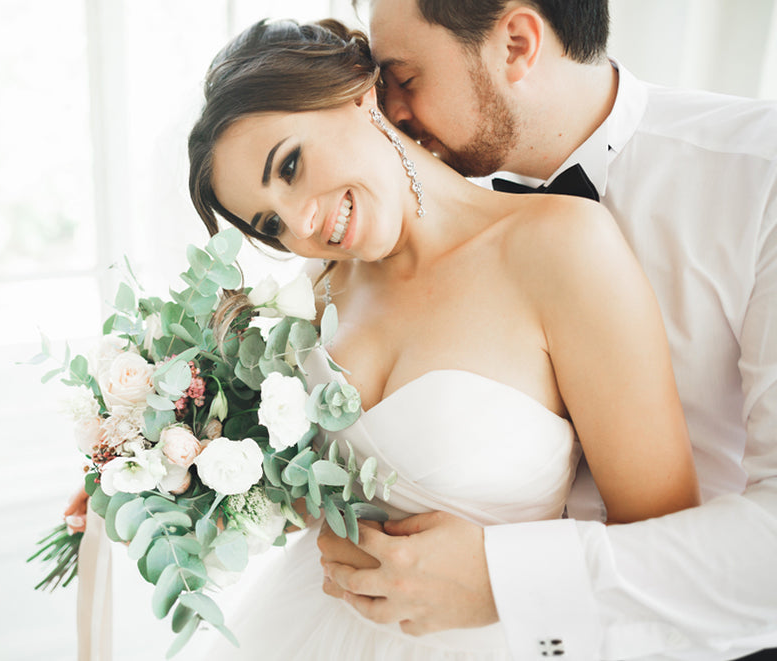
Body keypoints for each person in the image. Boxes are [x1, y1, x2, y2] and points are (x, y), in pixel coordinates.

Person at [185, 17, 699, 660]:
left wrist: (504, 575)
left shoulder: (561, 247)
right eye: (269, 223)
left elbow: (670, 545)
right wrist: (171, 454)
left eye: (289, 166)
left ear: (356, 95)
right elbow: (294, 489)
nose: (302, 224)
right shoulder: (312, 299)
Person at [318, 1, 777, 660]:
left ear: (515, 44)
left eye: (404, 78)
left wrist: (511, 581)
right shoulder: (396, 233)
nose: (388, 112)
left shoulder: (761, 176)